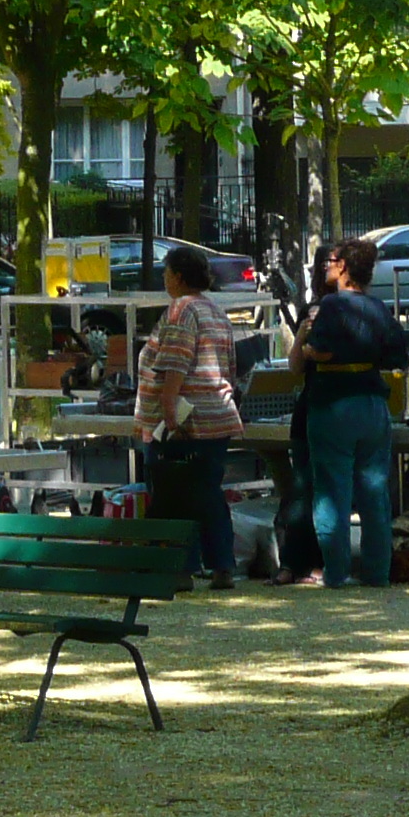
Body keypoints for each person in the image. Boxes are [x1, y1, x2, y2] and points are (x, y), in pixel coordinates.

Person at [295, 235, 409, 588]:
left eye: (331, 264)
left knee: (333, 491)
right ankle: (378, 573)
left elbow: (322, 351)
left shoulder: (332, 306)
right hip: (374, 404)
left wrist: (309, 348)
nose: (327, 268)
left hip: (334, 402)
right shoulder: (379, 307)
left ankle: (336, 572)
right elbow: (398, 357)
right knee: (375, 492)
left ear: (344, 267)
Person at [134, 244, 242, 588]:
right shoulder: (216, 312)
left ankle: (181, 567)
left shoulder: (181, 310)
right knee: (209, 494)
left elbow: (174, 369)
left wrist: (170, 418)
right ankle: (222, 564)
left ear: (178, 276)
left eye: (166, 272)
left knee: (174, 496)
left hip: (186, 421)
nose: (164, 279)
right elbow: (231, 368)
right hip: (218, 416)